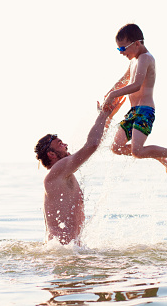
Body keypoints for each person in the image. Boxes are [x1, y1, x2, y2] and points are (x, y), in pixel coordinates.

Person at [103, 23, 167, 173]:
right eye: (119, 48)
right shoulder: (133, 61)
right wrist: (108, 94)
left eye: (123, 48)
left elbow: (137, 85)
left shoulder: (145, 58)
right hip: (132, 112)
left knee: (137, 152)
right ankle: (156, 154)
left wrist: (113, 95)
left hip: (145, 111)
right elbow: (123, 81)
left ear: (137, 43)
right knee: (116, 148)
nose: (121, 52)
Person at [34, 104, 115, 245]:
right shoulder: (57, 171)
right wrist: (103, 115)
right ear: (51, 154)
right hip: (63, 252)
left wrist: (106, 119)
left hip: (66, 251)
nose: (66, 146)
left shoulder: (63, 174)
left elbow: (93, 144)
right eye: (60, 144)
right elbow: (91, 145)